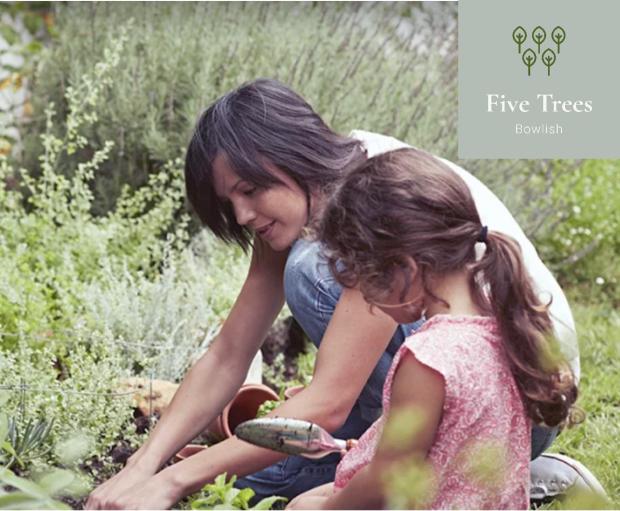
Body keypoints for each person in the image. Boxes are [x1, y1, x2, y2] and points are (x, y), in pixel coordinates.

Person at [85, 79, 586, 509]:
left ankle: (492, 470)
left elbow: (326, 404)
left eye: (250, 189)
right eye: (228, 201)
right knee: (258, 481)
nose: (240, 215)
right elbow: (229, 353)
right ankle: (440, 468)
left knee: (308, 273)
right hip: (488, 389)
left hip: (520, 406)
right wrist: (142, 466)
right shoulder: (305, 195)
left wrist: (171, 481)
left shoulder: (376, 199)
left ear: (291, 158)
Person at [287, 148, 579, 509]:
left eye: (368, 284)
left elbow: (386, 481)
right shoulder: (503, 326)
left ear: (405, 268)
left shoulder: (428, 360)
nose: (371, 304)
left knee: (303, 504)